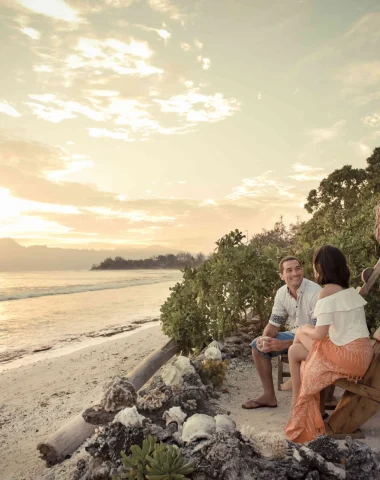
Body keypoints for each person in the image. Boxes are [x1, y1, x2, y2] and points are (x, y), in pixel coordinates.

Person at [285, 245, 373, 443]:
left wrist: (303, 329)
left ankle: (298, 404)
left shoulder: (326, 293)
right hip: (360, 354)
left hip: (349, 357)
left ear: (321, 268)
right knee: (293, 350)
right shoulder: (348, 292)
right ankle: (297, 402)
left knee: (300, 334)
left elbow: (318, 334)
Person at [242, 256, 321, 409]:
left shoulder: (314, 293)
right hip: (295, 334)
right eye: (289, 270)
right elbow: (273, 324)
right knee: (256, 347)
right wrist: (264, 339)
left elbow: (319, 336)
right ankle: (269, 396)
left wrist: (282, 344)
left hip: (313, 340)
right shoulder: (281, 293)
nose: (295, 273)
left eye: (298, 268)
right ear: (281, 275)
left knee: (292, 346)